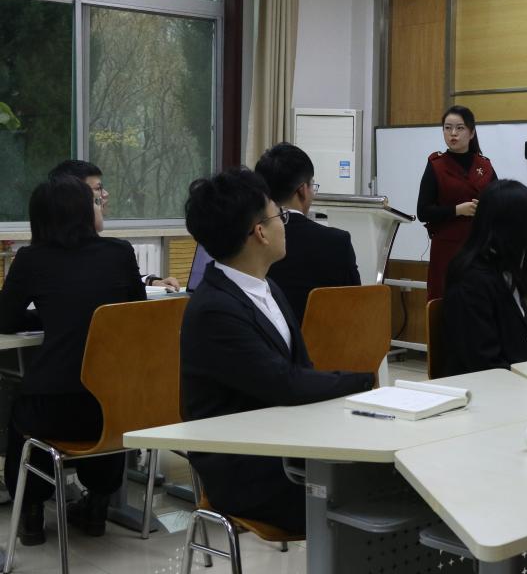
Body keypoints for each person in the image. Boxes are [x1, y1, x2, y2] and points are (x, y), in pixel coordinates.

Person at [180, 167, 374, 533]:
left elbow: (301, 371)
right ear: (260, 232)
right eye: (279, 217)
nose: (285, 225)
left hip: (284, 441)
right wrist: (363, 382)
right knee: (372, 492)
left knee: (384, 470)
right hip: (246, 466)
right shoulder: (215, 309)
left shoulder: (265, 287)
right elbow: (284, 383)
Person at [0, 176, 146, 543]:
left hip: (55, 410)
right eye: (95, 202)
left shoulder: (32, 259)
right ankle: (97, 506)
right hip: (115, 410)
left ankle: (31, 511)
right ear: (82, 212)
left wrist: (51, 317)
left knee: (23, 411)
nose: (100, 206)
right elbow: (137, 315)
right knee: (102, 395)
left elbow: (5, 320)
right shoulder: (120, 252)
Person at [442, 179, 527, 375]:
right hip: (485, 387)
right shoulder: (471, 280)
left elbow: (521, 349)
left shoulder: (504, 269)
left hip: (511, 381)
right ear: (512, 228)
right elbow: (484, 363)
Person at [254, 142, 360, 323]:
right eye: (312, 186)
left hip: (260, 337)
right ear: (303, 190)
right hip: (326, 339)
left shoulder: (250, 242)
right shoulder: (337, 242)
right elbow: (356, 305)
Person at [48, 159, 180, 290]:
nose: (105, 194)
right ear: (75, 196)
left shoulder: (43, 252)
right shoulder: (116, 250)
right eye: (98, 188)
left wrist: (150, 281)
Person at [416, 105, 496, 300]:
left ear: (471, 132)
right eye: (447, 128)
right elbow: (423, 212)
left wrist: (486, 208)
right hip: (447, 248)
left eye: (460, 128)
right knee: (445, 300)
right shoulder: (436, 164)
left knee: (479, 300)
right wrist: (457, 210)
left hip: (479, 246)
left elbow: (499, 203)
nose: (453, 133)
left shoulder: (484, 165)